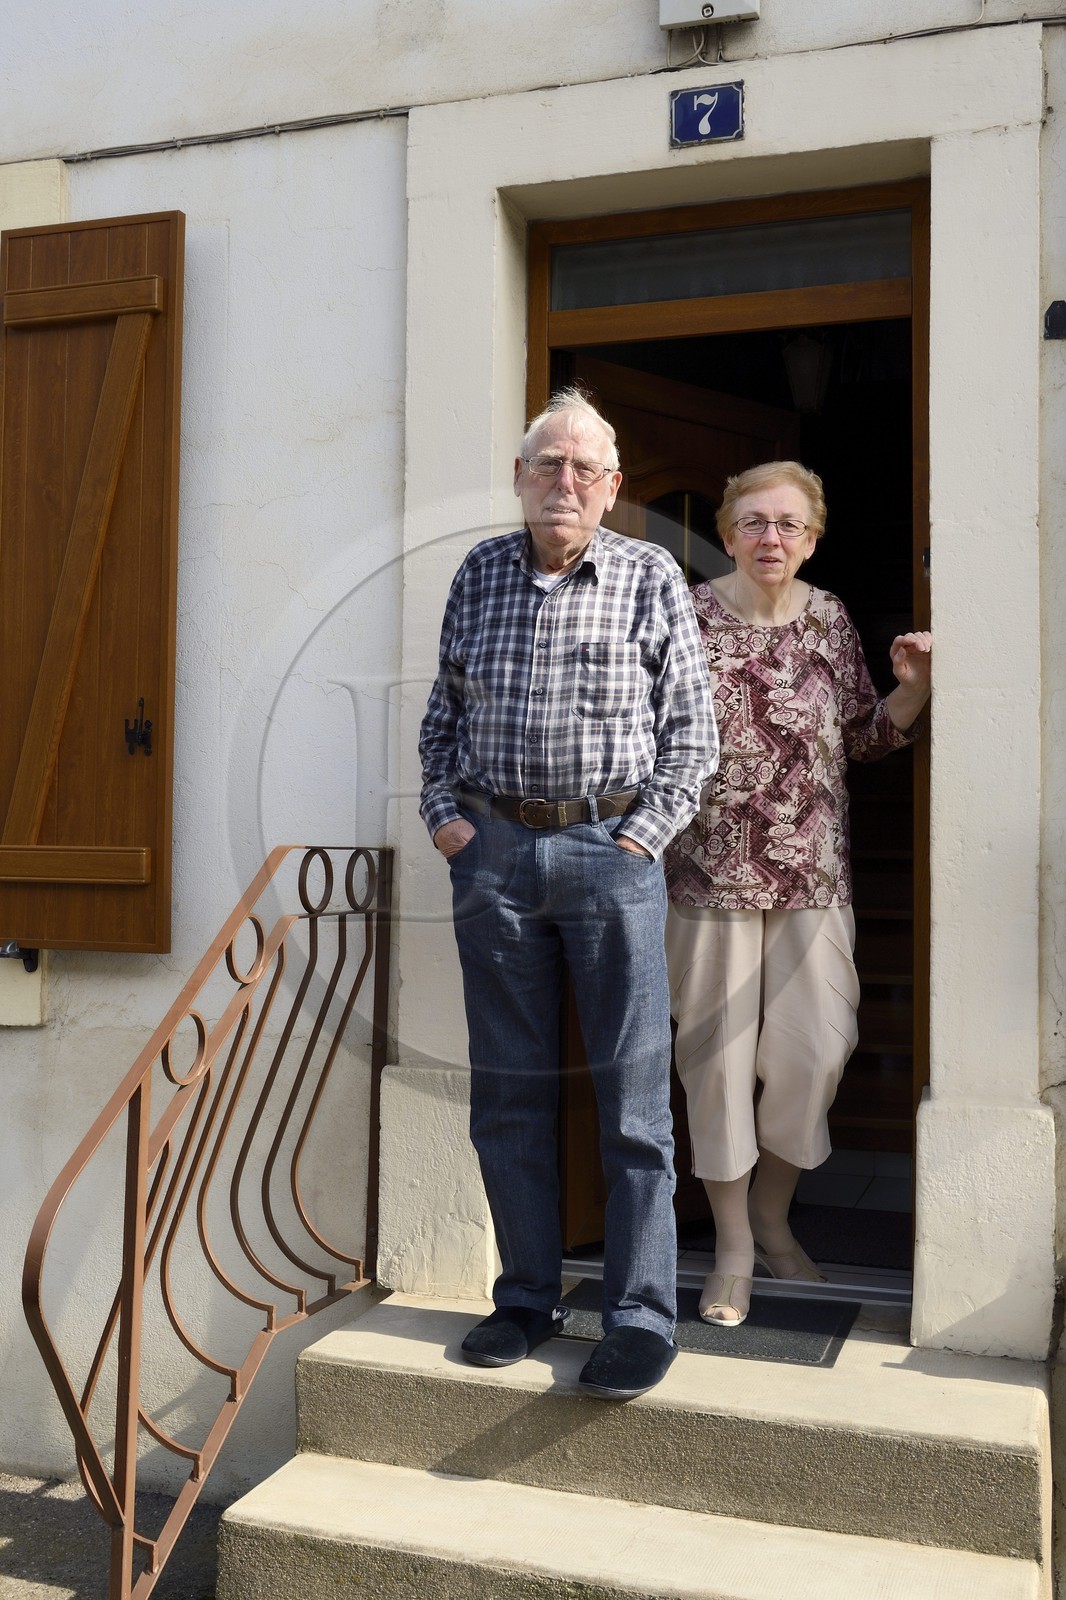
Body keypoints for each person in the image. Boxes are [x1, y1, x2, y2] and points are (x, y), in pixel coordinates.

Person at [419, 390, 718, 1398]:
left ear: (614, 487)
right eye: (549, 463)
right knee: (508, 1093)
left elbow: (693, 732)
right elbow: (440, 718)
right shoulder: (479, 574)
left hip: (608, 851)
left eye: (587, 468)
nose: (566, 482)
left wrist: (640, 837)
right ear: (519, 476)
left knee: (633, 1104)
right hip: (494, 854)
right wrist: (448, 821)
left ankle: (639, 1315)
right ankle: (524, 1298)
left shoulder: (648, 575)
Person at [663, 460, 931, 1328]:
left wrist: (913, 689)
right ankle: (737, 1248)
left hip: (814, 877)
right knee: (716, 1071)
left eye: (787, 524)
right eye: (752, 522)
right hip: (706, 879)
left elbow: (860, 736)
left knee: (816, 1055)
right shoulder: (688, 617)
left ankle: (774, 1217)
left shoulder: (830, 619)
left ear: (812, 537)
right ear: (728, 530)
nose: (769, 538)